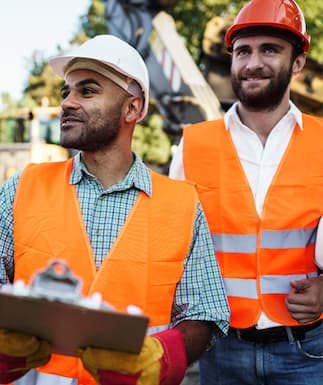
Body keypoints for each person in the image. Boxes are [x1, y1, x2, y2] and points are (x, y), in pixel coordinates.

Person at [0, 35, 230, 385]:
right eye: (67, 92)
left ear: (132, 109)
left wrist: (163, 356)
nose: (68, 103)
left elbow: (205, 312)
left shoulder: (182, 205)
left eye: (87, 91)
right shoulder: (21, 188)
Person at [169, 0, 323, 384]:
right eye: (243, 51)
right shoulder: (193, 146)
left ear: (298, 62)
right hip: (222, 351)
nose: (253, 62)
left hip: (308, 351)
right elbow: (173, 247)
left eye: (269, 49)